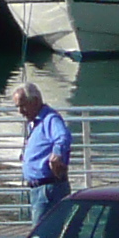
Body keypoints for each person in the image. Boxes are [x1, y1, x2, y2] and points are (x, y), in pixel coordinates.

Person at [15, 83, 73, 222]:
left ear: (34, 101)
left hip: (47, 188)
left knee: (42, 236)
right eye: (18, 107)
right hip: (39, 189)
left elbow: (63, 136)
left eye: (22, 106)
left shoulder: (50, 119)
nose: (20, 111)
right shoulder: (35, 122)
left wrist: (57, 154)